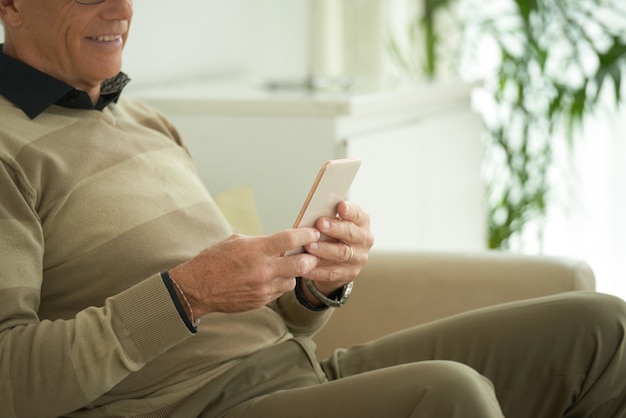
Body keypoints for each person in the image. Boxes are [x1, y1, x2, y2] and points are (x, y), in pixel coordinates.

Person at [0, 1, 624, 417]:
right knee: (450, 396)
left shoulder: (143, 119)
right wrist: (187, 293)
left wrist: (312, 290)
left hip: (297, 373)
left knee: (600, 330)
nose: (120, 10)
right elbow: (10, 378)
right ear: (11, 5)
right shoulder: (8, 150)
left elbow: (269, 323)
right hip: (199, 407)